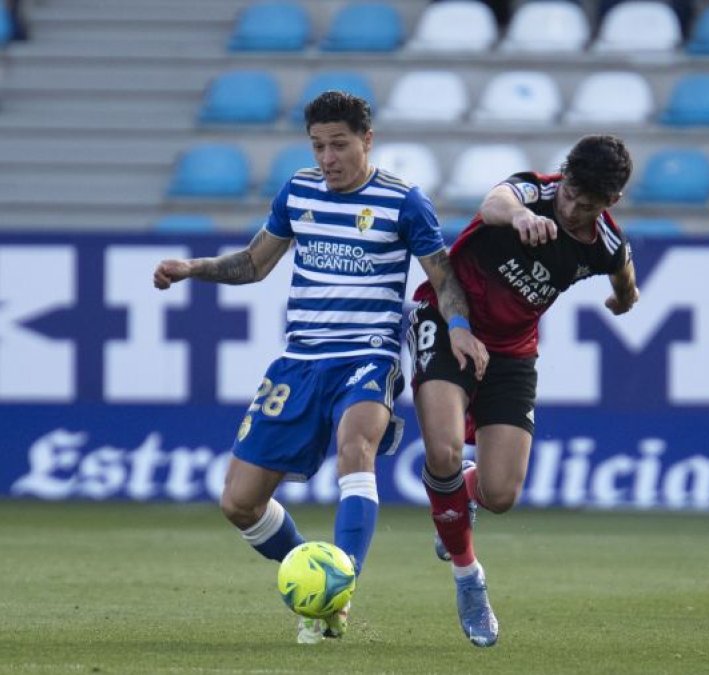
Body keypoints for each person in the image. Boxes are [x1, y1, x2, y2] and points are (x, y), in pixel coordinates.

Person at [152, 91, 488, 644]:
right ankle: (319, 587)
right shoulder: (299, 191)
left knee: (356, 446)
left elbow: (443, 277)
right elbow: (254, 264)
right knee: (239, 502)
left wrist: (457, 328)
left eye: (338, 145)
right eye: (317, 146)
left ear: (367, 140)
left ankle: (341, 584)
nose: (327, 158)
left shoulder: (405, 202)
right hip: (300, 360)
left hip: (368, 353)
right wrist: (194, 267)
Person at [407, 134, 639, 647]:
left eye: (588, 204)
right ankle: (470, 579)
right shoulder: (533, 195)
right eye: (571, 193)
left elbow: (623, 271)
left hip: (513, 351)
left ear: (611, 203)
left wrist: (623, 298)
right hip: (450, 318)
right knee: (442, 450)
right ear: (565, 176)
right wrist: (519, 218)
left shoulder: (604, 242)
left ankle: (464, 491)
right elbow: (496, 201)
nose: (572, 208)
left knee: (501, 495)